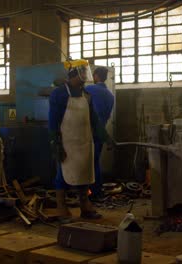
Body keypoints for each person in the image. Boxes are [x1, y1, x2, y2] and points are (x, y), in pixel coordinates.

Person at [49, 59, 109, 219]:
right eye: (81, 71)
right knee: (63, 175)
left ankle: (85, 206)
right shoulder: (59, 93)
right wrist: (55, 142)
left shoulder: (86, 94)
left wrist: (106, 137)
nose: (84, 75)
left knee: (85, 173)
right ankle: (62, 209)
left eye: (85, 71)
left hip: (84, 142)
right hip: (67, 143)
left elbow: (94, 119)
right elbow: (53, 120)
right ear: (73, 74)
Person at [85, 67, 115, 199]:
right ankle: (96, 190)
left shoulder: (89, 89)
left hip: (88, 132)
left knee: (86, 162)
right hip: (101, 132)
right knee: (95, 161)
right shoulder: (110, 95)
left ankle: (87, 192)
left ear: (95, 76)